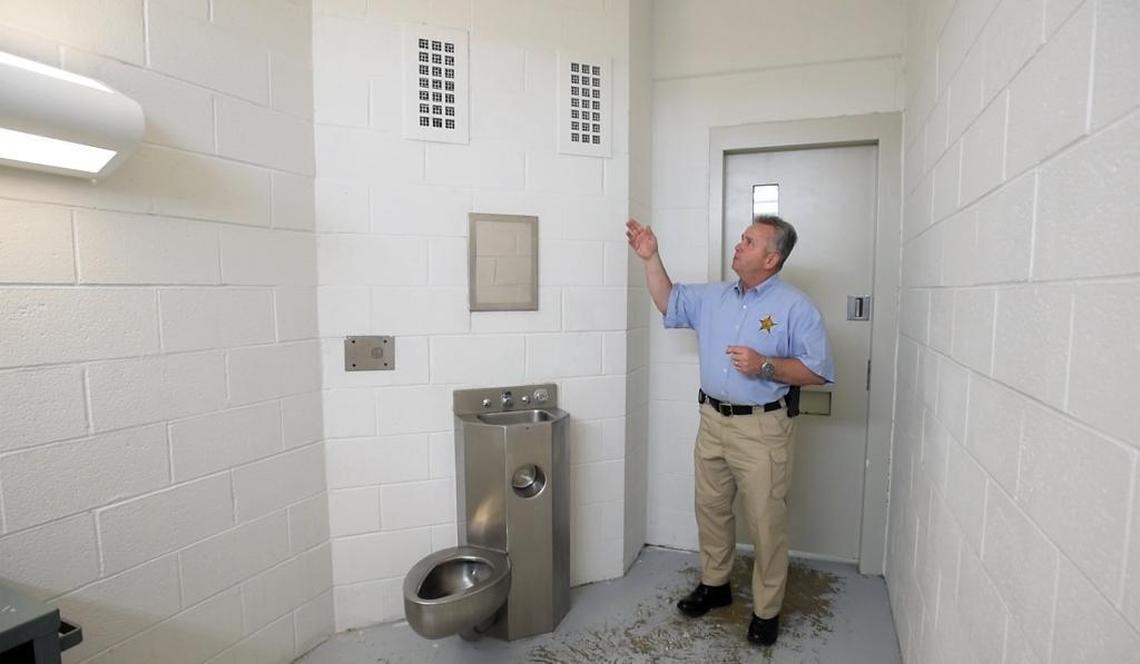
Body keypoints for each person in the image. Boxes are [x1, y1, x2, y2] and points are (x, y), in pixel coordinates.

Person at [626, 214, 834, 647]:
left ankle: (766, 610)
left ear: (772, 258)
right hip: (713, 422)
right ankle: (715, 585)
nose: (738, 245)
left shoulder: (797, 307)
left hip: (762, 430)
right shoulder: (715, 296)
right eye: (741, 238)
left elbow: (817, 371)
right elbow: (669, 302)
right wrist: (650, 258)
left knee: (765, 522)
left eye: (749, 241)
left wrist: (766, 365)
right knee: (712, 508)